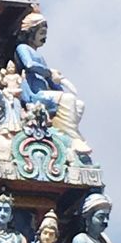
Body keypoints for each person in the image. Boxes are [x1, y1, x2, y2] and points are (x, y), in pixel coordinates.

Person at [14, 12, 88, 154]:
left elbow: (52, 83)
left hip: (45, 94)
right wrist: (49, 72)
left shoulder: (39, 56)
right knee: (68, 99)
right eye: (41, 32)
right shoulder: (23, 48)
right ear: (31, 32)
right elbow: (29, 65)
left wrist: (57, 81)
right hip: (35, 94)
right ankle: (74, 139)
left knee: (78, 104)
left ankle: (65, 131)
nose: (44, 37)